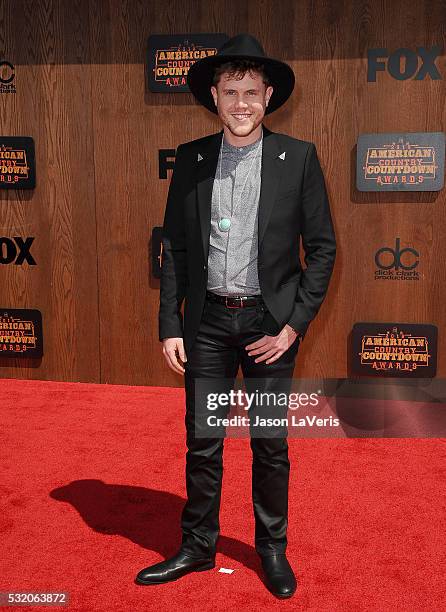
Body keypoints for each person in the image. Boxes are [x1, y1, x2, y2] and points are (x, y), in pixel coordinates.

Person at [135, 33, 336, 598]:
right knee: (203, 441)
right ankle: (198, 547)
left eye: (251, 91)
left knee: (270, 443)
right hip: (207, 328)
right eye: (231, 92)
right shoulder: (193, 158)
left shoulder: (298, 157)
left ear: (268, 96)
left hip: (271, 327)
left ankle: (271, 549)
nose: (241, 103)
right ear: (215, 98)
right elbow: (174, 246)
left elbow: (320, 249)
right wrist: (170, 324)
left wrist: (292, 325)